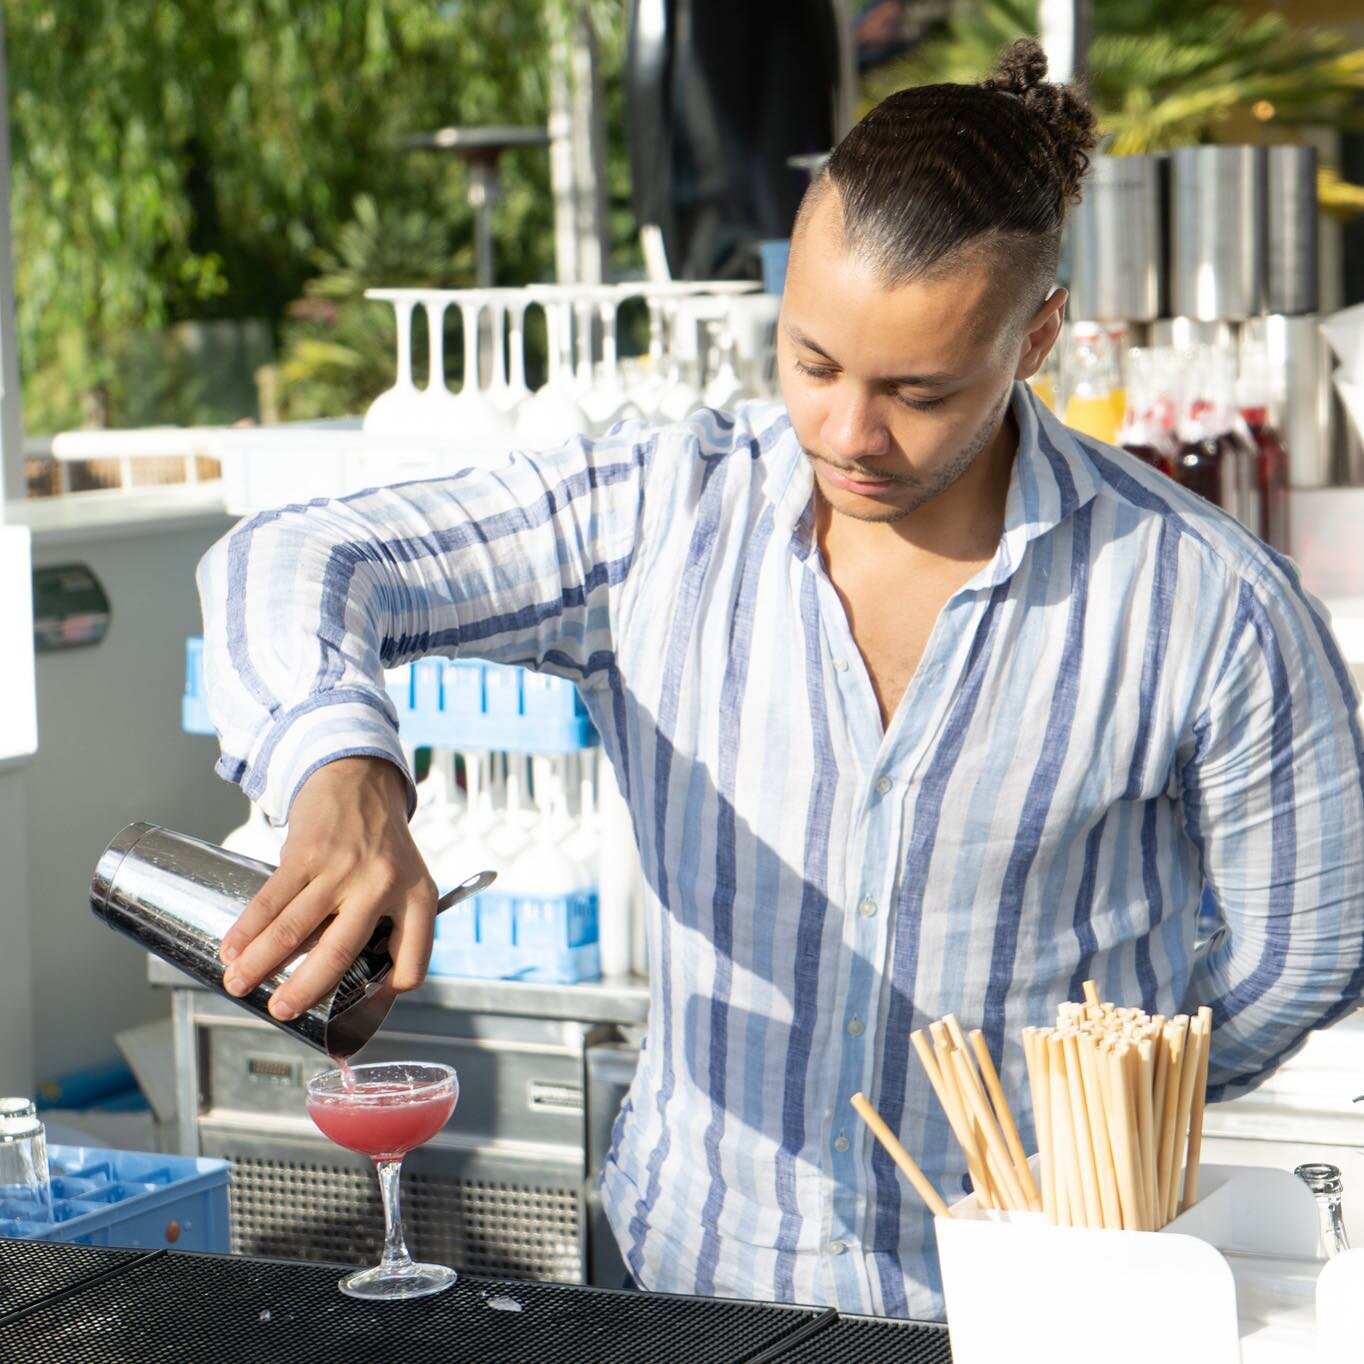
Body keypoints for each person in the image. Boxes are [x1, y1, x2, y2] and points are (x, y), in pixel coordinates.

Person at [196, 41, 1364, 1320]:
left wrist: (1100, 1117)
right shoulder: (654, 513)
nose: (847, 433)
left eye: (915, 391)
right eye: (810, 362)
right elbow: (295, 553)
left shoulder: (1205, 599)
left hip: (1036, 1306)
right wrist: (339, 766)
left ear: (1035, 336)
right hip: (696, 1283)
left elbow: (1306, 943)